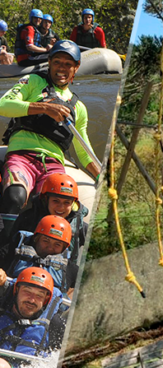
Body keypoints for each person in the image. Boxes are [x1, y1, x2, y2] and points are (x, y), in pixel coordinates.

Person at [0, 40, 101, 234]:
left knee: (52, 207)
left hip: (53, 163)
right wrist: (44, 108)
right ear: (49, 62)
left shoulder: (78, 108)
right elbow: (3, 104)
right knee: (15, 196)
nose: (61, 68)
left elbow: (84, 150)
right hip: (22, 156)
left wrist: (100, 176)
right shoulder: (33, 81)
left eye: (67, 64)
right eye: (57, 62)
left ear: (76, 68)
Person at [6, 173, 88, 254]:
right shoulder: (28, 218)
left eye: (67, 203)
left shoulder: (80, 226)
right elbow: (8, 249)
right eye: (55, 201)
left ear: (73, 203)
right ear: (45, 199)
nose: (61, 207)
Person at [0, 214, 77, 296]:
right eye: (45, 241)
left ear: (63, 248)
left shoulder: (69, 268)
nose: (50, 248)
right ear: (36, 239)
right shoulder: (13, 250)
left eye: (57, 244)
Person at [0, 267, 54, 368]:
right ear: (16, 290)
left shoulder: (55, 324)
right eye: (27, 291)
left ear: (45, 300)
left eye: (39, 295)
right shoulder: (2, 308)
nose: (32, 300)